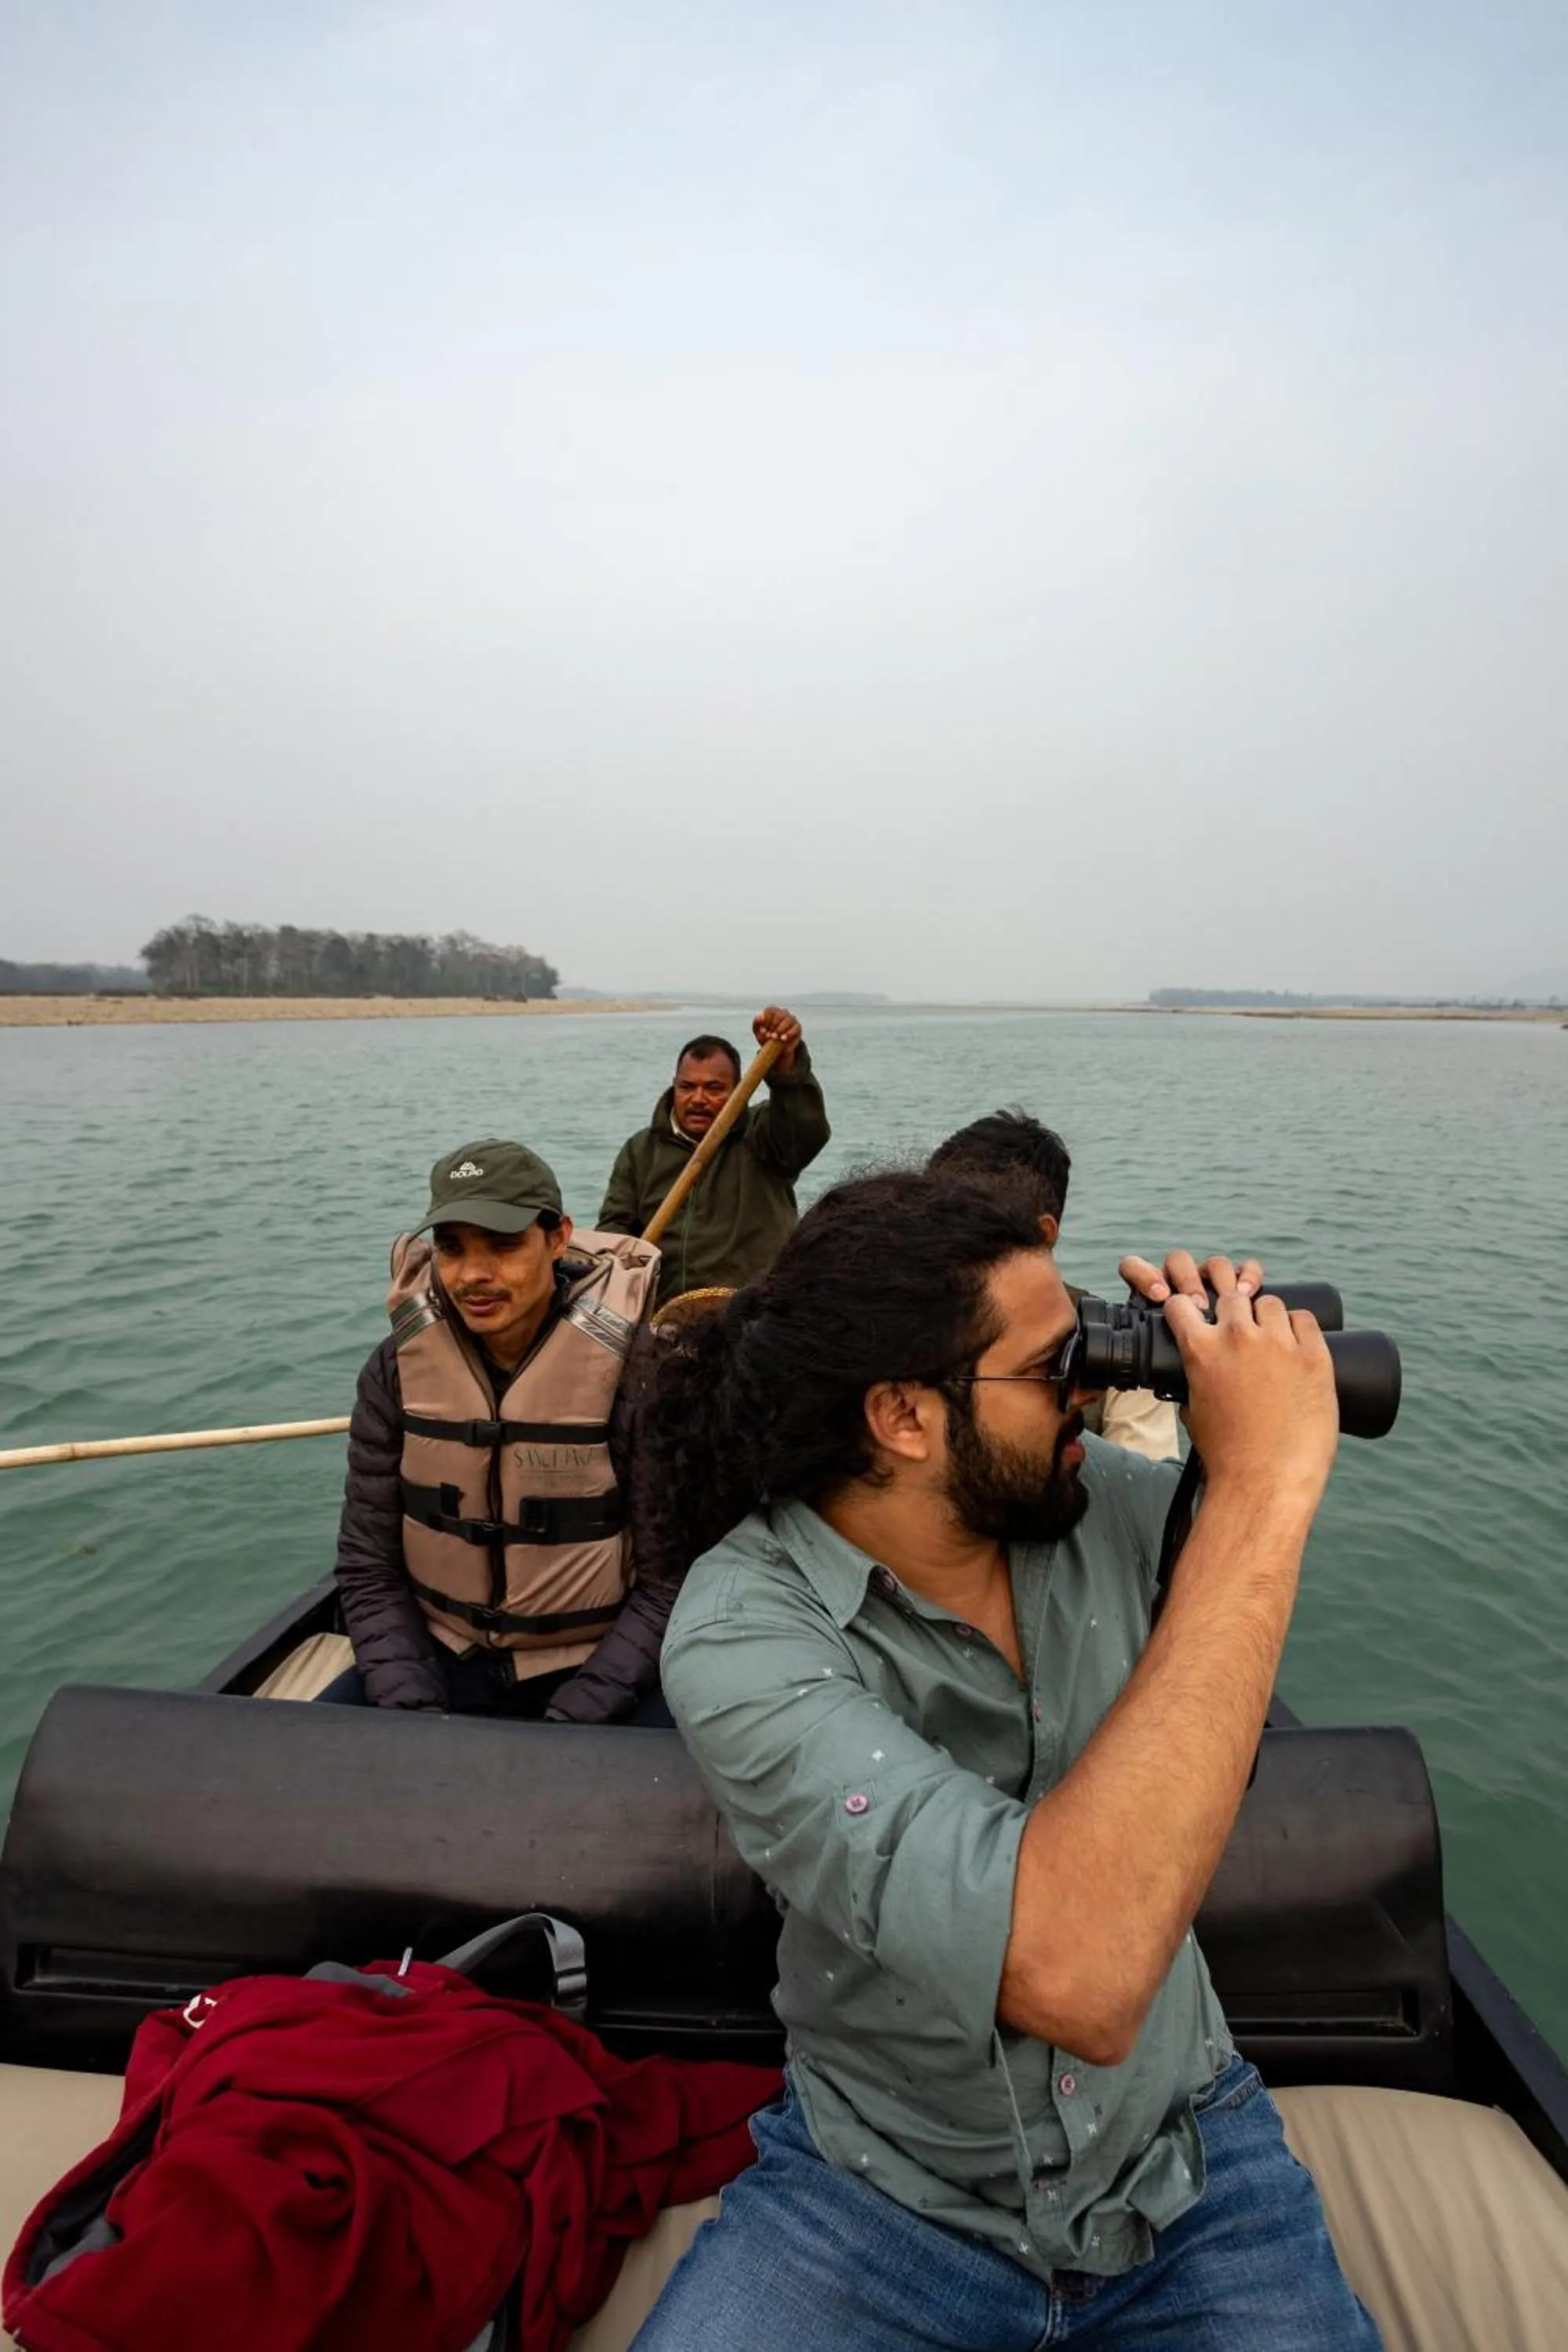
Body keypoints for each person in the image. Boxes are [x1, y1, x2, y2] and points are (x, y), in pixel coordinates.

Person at [630, 1171, 1377, 2350]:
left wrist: (1223, 1425)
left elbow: (1211, 1732)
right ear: (905, 1416)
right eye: (1050, 1370)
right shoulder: (746, 1631)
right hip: (882, 2190)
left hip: (1180, 2164)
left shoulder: (1128, 1519)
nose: (1085, 1391)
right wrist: (1262, 1488)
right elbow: (1076, 1972)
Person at [322, 1138, 675, 1722]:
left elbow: (671, 1581)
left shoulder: (643, 1376)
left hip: (600, 1664)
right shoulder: (394, 1371)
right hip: (438, 1655)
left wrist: (580, 1712)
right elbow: (368, 1565)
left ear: (558, 1238)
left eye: (505, 1245)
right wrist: (410, 1701)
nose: (474, 1275)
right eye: (452, 1249)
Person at [929, 1108, 1181, 1462]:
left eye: (971, 1231)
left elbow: (1145, 1500)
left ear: (1043, 1233)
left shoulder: (1119, 1353)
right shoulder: (895, 1324)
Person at [598, 1009, 829, 1308]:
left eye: (714, 1089)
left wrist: (787, 1065)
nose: (697, 1099)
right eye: (687, 1087)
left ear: (737, 1092)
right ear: (674, 1086)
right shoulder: (641, 1150)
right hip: (662, 1315)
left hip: (751, 1314)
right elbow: (614, 1231)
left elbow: (805, 1131)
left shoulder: (764, 1136)